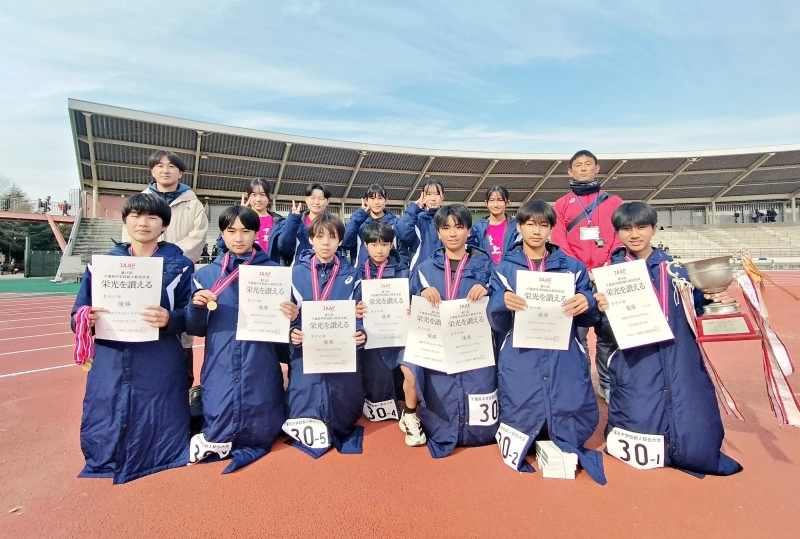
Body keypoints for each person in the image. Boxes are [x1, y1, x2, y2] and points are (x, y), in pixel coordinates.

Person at [594, 201, 742, 476]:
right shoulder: (610, 276)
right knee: (637, 413)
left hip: (679, 358)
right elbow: (602, 330)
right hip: (636, 362)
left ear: (654, 228)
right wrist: (599, 307)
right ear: (617, 233)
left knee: (693, 425)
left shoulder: (678, 272)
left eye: (641, 226)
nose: (634, 234)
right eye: (626, 228)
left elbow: (698, 307)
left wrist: (716, 298)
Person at [71, 193, 194, 484]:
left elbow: (191, 316)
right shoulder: (100, 265)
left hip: (159, 353)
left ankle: (160, 454)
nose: (143, 223)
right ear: (125, 220)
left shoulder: (180, 265)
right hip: (111, 354)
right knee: (107, 402)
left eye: (152, 217)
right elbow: (77, 311)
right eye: (136, 216)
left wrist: (169, 319)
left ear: (163, 226)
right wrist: (83, 319)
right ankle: (108, 455)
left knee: (159, 402)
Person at [487, 200, 605, 484]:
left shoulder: (572, 267)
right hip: (521, 349)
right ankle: (529, 433)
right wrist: (501, 302)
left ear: (551, 228)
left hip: (562, 348)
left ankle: (563, 433)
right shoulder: (504, 269)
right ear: (519, 227)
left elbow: (590, 313)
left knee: (567, 390)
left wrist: (586, 301)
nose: (536, 231)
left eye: (543, 225)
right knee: (521, 391)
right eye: (530, 224)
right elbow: (495, 318)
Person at [185, 205, 299, 472]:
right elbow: (195, 328)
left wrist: (292, 315)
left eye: (246, 231)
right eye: (231, 231)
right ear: (222, 234)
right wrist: (195, 306)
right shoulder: (205, 276)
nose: (239, 238)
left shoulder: (274, 273)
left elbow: (285, 329)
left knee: (262, 414)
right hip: (220, 362)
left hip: (260, 360)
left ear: (256, 234)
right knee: (220, 414)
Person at [410, 203, 496, 458]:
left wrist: (489, 291)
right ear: (437, 232)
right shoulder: (425, 269)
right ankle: (444, 430)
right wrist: (421, 292)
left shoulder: (487, 267)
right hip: (439, 350)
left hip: (475, 348)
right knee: (441, 391)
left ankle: (479, 433)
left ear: (469, 230)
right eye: (446, 228)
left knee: (478, 386)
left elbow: (501, 299)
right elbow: (412, 300)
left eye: (459, 227)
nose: (453, 233)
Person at [121, 150, 209, 394]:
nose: (165, 170)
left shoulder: (193, 203)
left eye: (171, 166)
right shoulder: (140, 200)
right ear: (152, 170)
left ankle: (181, 394)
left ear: (180, 172)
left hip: (178, 273)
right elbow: (130, 238)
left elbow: (198, 237)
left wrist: (168, 257)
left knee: (179, 330)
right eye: (159, 165)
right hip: (141, 275)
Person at [286, 213, 366, 457]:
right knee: (303, 399)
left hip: (341, 354)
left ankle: (339, 424)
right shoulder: (294, 274)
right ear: (310, 239)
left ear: (340, 241)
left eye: (332, 237)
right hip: (305, 353)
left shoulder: (353, 275)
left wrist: (361, 333)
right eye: (320, 236)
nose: (326, 243)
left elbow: (360, 313)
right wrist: (292, 331)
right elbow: (287, 312)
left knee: (344, 404)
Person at [550, 150, 624, 403]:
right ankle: (580, 385)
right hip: (576, 280)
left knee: (609, 336)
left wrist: (605, 266)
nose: (583, 169)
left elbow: (620, 235)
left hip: (608, 276)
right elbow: (559, 240)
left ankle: (606, 383)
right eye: (578, 166)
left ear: (597, 168)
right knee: (577, 338)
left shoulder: (614, 202)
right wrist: (583, 270)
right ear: (569, 172)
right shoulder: (561, 205)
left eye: (587, 164)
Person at [355, 221, 425, 446]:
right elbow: (347, 304)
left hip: (401, 335)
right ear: (365, 246)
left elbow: (417, 297)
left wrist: (416, 308)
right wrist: (354, 309)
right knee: (375, 391)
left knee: (411, 373)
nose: (379, 249)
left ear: (391, 244)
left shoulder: (405, 272)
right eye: (374, 244)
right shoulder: (357, 273)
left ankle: (411, 414)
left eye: (385, 244)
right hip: (372, 337)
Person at [342, 183, 401, 267]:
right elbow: (346, 243)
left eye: (380, 198)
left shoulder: (396, 223)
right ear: (366, 201)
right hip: (363, 272)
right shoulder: (358, 223)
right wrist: (359, 215)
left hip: (390, 272)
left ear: (386, 201)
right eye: (372, 198)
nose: (376, 202)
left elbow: (402, 250)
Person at [396, 179, 446, 271]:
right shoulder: (415, 220)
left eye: (437, 194)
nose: (433, 198)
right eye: (429, 194)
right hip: (419, 273)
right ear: (423, 196)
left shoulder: (449, 220)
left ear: (443, 196)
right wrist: (415, 208)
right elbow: (402, 233)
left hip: (445, 273)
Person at [278, 182, 331, 264]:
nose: (316, 202)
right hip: (300, 268)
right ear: (306, 199)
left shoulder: (332, 224)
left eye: (321, 198)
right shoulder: (296, 222)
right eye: (312, 197)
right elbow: (284, 248)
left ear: (328, 201)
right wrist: (293, 220)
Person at [240, 178, 287, 263]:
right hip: (247, 267)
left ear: (269, 196)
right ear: (248, 196)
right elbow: (222, 243)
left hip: (270, 268)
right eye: (253, 195)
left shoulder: (280, 222)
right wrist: (239, 215)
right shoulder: (240, 218)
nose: (258, 199)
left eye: (262, 194)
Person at [472, 185, 518, 265]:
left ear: (507, 203)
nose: (496, 205)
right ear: (486, 203)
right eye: (492, 200)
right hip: (485, 272)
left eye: (500, 200)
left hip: (509, 270)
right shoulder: (478, 227)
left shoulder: (516, 226)